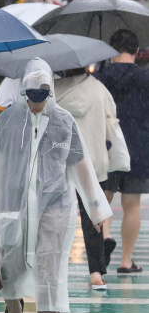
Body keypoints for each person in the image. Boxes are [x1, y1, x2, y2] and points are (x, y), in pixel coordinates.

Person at [0, 58, 112, 313]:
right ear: (23, 91)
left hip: (54, 210)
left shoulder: (64, 122)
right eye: (31, 95)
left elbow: (81, 166)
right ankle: (13, 312)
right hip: (12, 208)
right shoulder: (7, 123)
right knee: (8, 265)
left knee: (50, 271)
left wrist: (97, 209)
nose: (37, 102)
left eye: (43, 95)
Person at [55, 67, 123, 289]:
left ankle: (54, 269)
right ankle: (96, 273)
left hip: (62, 163)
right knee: (93, 218)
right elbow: (111, 120)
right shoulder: (100, 89)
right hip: (94, 163)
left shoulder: (54, 91)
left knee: (56, 217)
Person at [95, 29, 149, 274]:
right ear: (137, 52)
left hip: (106, 145)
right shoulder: (144, 78)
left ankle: (105, 237)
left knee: (103, 200)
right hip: (137, 146)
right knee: (132, 205)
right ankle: (126, 261)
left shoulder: (101, 77)